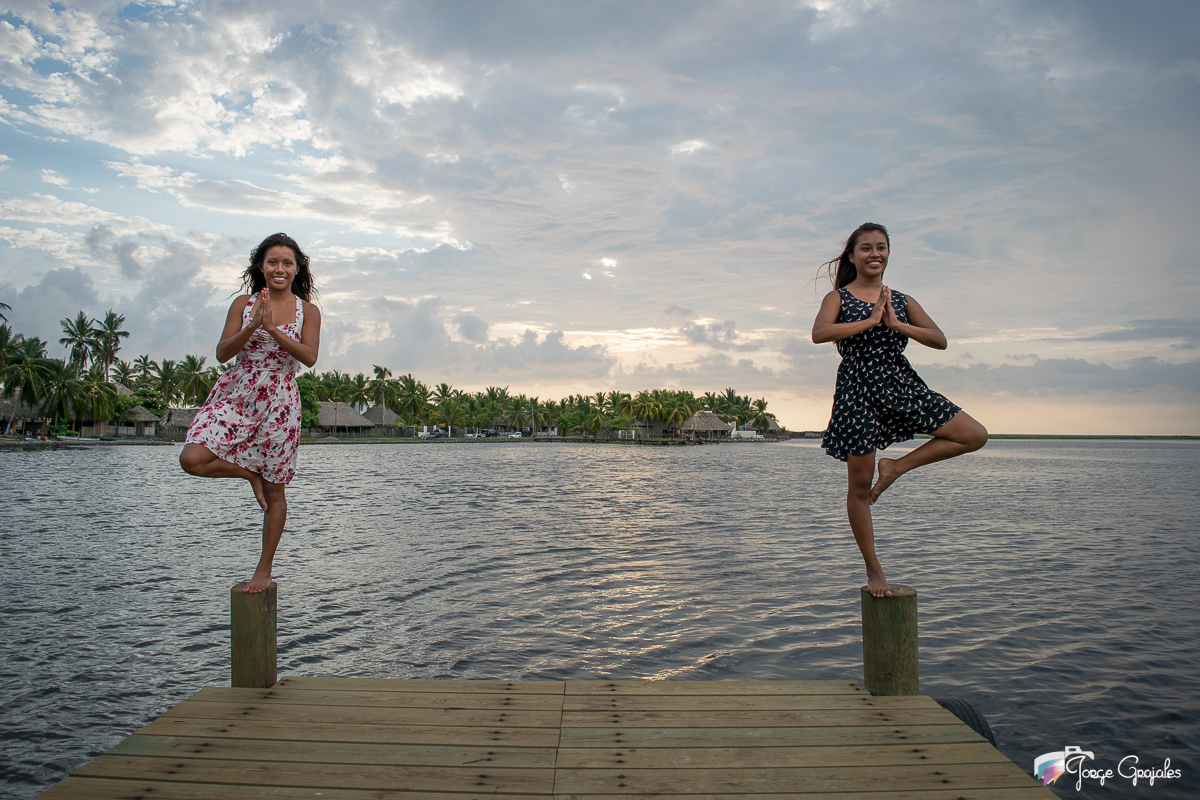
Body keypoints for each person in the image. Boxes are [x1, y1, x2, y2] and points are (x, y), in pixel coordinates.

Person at [811, 223, 987, 599]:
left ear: (888, 253)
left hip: (898, 383)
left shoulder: (902, 300)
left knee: (974, 434)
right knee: (858, 488)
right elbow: (820, 332)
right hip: (857, 391)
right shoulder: (838, 297)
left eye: (882, 247)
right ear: (852, 255)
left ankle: (896, 466)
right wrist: (870, 321)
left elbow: (939, 340)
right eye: (866, 248)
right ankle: (875, 570)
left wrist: (896, 323)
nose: (875, 254)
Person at [179, 233, 321, 593]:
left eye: (287, 263)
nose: (279, 269)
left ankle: (264, 569)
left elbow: (308, 357)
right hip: (238, 391)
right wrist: (253, 325)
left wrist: (272, 327)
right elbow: (223, 352)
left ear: (297, 268)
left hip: (280, 399)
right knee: (192, 459)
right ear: (261, 265)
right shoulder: (244, 304)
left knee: (276, 491)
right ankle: (249, 474)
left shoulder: (309, 310)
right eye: (272, 261)